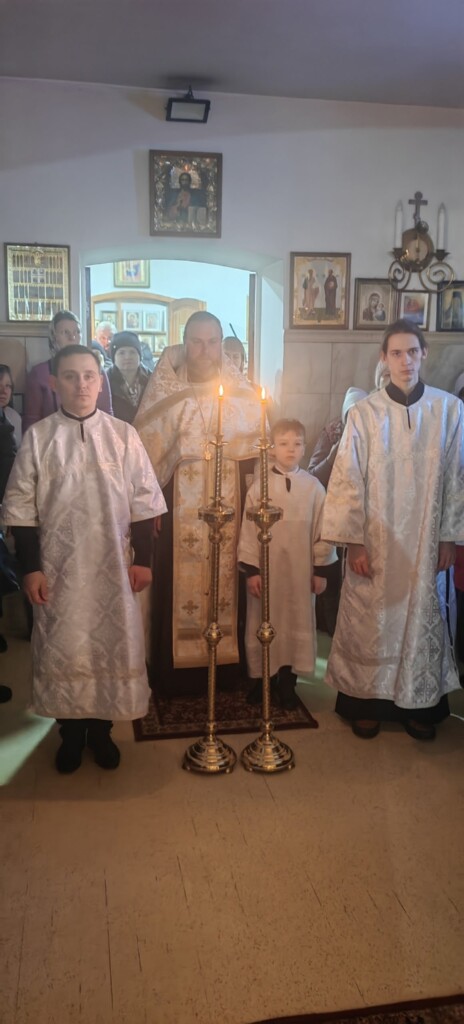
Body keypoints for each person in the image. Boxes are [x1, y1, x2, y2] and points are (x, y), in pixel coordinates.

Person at [3, 345, 166, 773]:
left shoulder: (123, 435)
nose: (81, 385)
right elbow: (21, 509)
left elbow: (145, 502)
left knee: (109, 649)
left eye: (90, 376)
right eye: (71, 376)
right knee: (66, 649)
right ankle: (71, 734)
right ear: (54, 383)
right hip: (59, 572)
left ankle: (102, 731)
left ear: (100, 381)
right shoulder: (39, 438)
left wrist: (144, 560)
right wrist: (31, 568)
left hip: (114, 568)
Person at [322, 319, 464, 741]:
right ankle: (365, 703)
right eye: (397, 353)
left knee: (421, 617)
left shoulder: (449, 410)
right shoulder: (364, 414)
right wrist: (354, 542)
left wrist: (448, 537)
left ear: (424, 355)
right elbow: (347, 479)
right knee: (372, 622)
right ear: (384, 358)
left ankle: (420, 704)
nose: (406, 361)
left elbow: (457, 478)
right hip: (376, 542)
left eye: (413, 352)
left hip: (425, 542)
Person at [135, 310, 262, 699]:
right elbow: (144, 461)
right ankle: (176, 673)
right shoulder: (166, 396)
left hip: (231, 510)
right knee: (177, 587)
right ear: (183, 343)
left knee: (229, 582)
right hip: (178, 515)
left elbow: (256, 459)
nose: (204, 350)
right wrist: (152, 509)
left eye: (212, 342)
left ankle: (225, 670)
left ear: (221, 345)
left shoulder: (242, 396)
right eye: (196, 341)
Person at [238, 419, 336, 710]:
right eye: (283, 444)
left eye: (297, 444)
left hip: (300, 574)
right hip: (267, 575)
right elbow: (248, 531)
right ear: (272, 449)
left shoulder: (314, 488)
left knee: (295, 622)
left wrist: (321, 570)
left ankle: (288, 684)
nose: (290, 449)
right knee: (263, 621)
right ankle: (263, 682)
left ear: (305, 448)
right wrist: (252, 571)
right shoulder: (259, 487)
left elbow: (324, 530)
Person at [307, 387, 367, 637]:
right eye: (351, 415)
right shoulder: (332, 434)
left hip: (363, 529)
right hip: (332, 524)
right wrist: (333, 456)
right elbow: (312, 478)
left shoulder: (375, 438)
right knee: (332, 588)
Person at [23, 310, 113, 430]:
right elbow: (31, 421)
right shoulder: (39, 373)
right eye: (65, 332)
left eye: (77, 332)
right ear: (54, 337)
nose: (72, 337)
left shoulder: (96, 371)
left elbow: (107, 415)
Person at [107, 331, 151, 424]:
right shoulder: (105, 380)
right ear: (114, 357)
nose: (127, 357)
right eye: (121, 353)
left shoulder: (152, 378)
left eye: (132, 352)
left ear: (140, 356)